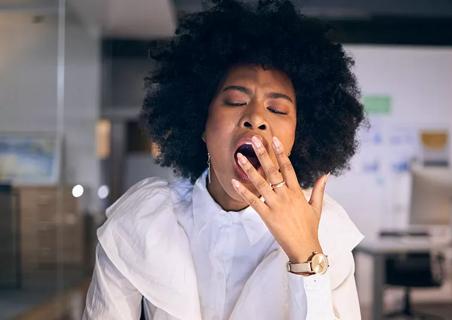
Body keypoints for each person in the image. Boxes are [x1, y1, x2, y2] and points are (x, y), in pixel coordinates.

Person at [83, 0, 366, 319]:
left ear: (298, 137)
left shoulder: (326, 229)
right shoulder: (143, 222)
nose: (256, 117)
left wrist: (306, 255)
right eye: (234, 101)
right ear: (201, 124)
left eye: (277, 109)